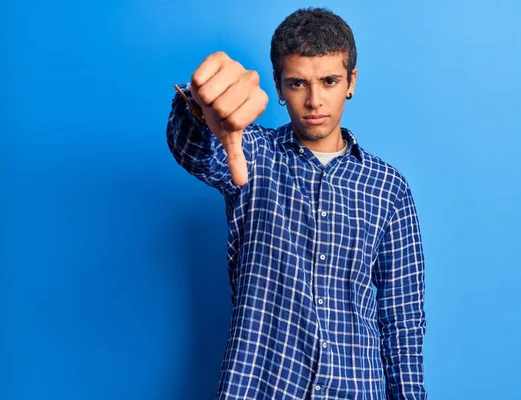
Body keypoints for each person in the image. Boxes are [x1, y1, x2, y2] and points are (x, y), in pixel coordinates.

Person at [166, 7, 426, 399]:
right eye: (298, 83)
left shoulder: (388, 188)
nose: (314, 100)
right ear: (278, 86)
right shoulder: (252, 153)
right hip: (261, 385)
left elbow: (402, 317)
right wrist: (204, 108)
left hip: (355, 387)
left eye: (329, 81)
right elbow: (195, 151)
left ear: (351, 81)